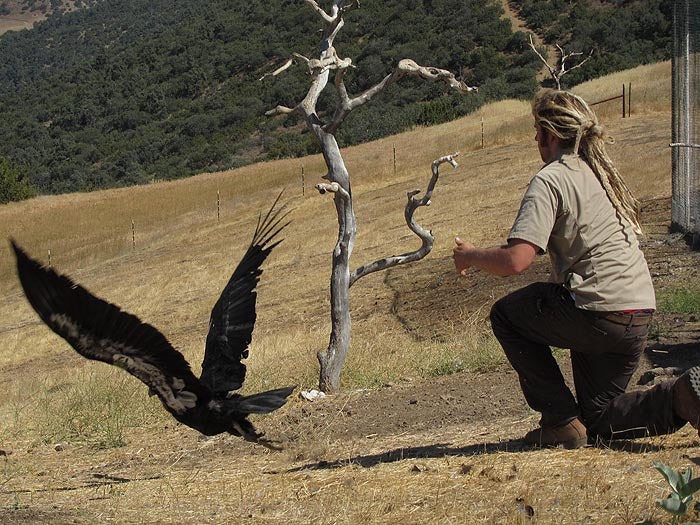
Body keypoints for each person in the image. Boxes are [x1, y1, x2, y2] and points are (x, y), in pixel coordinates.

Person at [452, 89, 700, 448]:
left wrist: (471, 255)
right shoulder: (600, 175)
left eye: (537, 129)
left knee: (506, 315)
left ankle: (559, 421)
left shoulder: (551, 178)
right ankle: (682, 398)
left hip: (596, 311)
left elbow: (517, 261)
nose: (535, 138)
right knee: (600, 418)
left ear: (551, 135)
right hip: (638, 311)